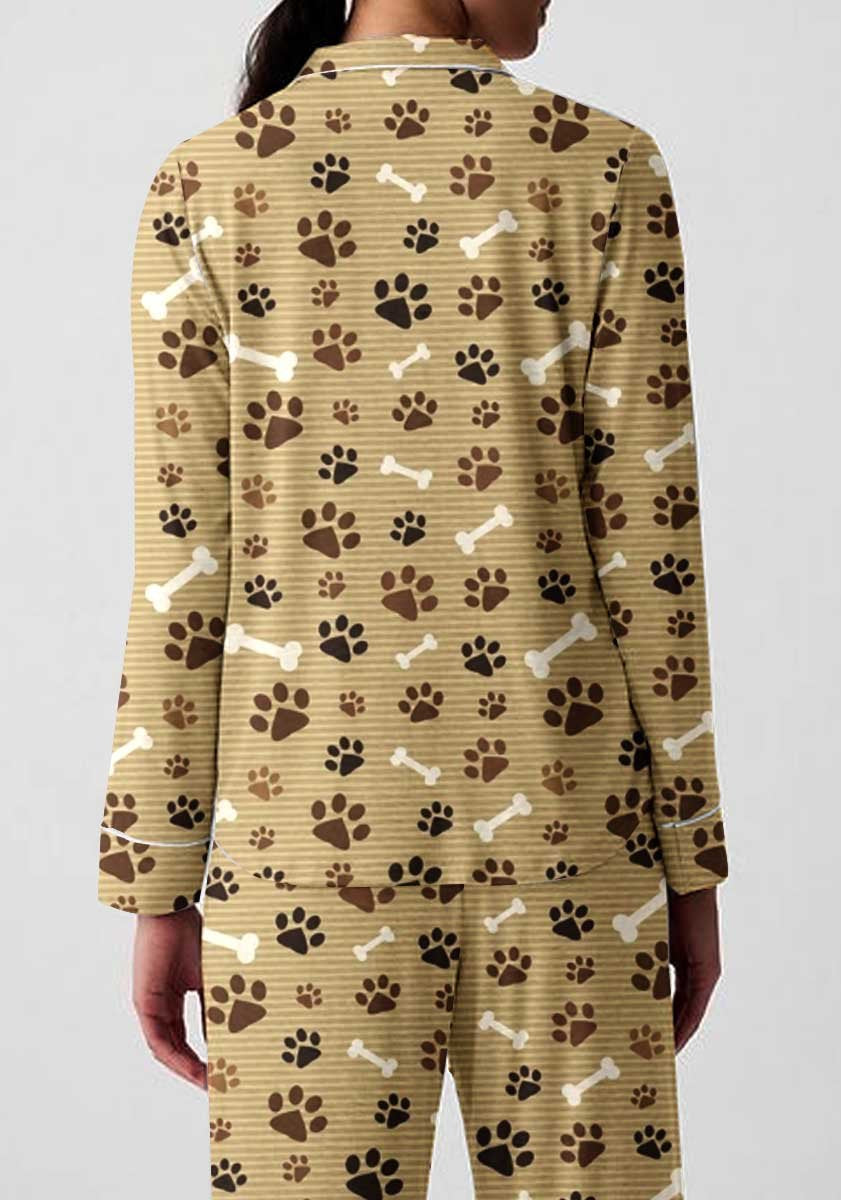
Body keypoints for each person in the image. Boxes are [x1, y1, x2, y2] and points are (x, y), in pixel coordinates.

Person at [97, 1, 729, 1195]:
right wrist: (691, 858)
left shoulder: (207, 181)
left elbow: (182, 564)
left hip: (297, 851)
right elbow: (655, 559)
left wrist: (156, 877)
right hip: (574, 846)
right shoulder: (605, 168)